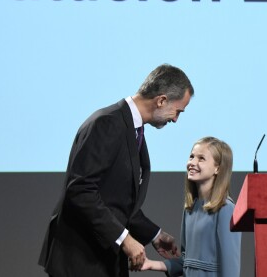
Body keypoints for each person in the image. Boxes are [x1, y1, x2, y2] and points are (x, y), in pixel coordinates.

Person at [38, 64, 194, 277]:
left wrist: (155, 235)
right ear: (161, 100)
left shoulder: (133, 128)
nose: (176, 119)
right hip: (81, 260)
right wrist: (125, 238)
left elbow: (117, 200)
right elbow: (80, 191)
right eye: (178, 111)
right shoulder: (108, 123)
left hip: (102, 259)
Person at [140, 136, 241, 276]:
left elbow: (230, 268)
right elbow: (186, 261)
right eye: (191, 156)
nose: (192, 163)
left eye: (201, 159)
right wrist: (151, 264)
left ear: (218, 168)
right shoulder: (190, 208)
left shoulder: (226, 209)